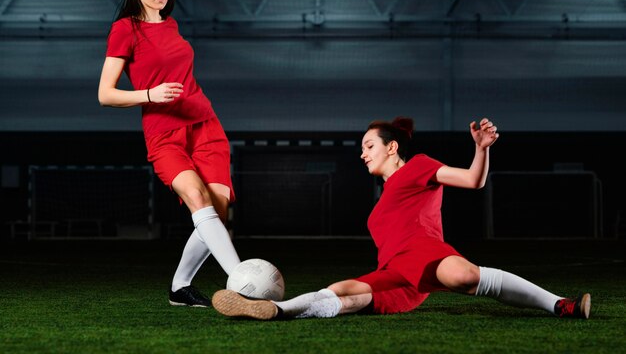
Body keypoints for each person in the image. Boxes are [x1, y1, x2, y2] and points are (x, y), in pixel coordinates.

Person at [211, 117, 591, 320]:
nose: (363, 154)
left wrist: (481, 149)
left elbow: (474, 181)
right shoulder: (380, 203)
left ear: (392, 147)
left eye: (369, 146)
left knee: (463, 276)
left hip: (426, 254)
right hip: (397, 273)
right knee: (344, 291)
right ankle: (276, 310)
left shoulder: (420, 166)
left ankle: (561, 304)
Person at [98, 0, 240, 308]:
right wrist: (150, 94)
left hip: (205, 124)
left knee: (217, 213)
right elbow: (105, 94)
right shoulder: (124, 29)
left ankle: (180, 287)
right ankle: (243, 281)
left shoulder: (172, 24)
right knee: (197, 199)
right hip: (164, 134)